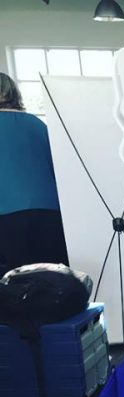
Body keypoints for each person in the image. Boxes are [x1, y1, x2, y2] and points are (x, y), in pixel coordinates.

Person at [0, 72, 69, 274]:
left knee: (15, 281)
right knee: (52, 277)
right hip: (51, 214)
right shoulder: (39, 125)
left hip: (7, 215)